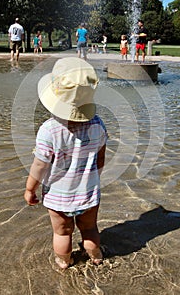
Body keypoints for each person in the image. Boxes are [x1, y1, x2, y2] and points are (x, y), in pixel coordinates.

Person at [24, 57, 107, 270]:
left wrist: (30, 189)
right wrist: (92, 178)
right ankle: (95, 255)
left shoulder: (49, 130)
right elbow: (100, 158)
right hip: (88, 191)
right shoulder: (98, 124)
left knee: (62, 232)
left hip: (59, 196)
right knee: (89, 229)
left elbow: (40, 165)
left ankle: (64, 261)